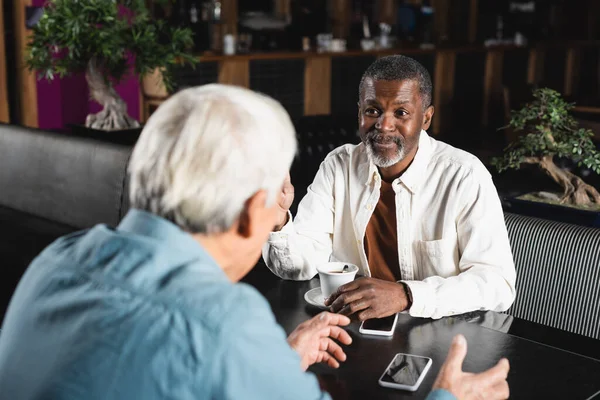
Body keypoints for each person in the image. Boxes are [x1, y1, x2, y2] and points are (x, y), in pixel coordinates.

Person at [0, 85, 509, 400]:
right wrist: (446, 398)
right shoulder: (224, 325)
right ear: (252, 213)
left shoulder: (56, 261)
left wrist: (274, 363)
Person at [264, 55, 516, 320]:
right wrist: (278, 220)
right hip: (353, 328)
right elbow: (300, 266)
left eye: (401, 113)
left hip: (440, 332)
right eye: (372, 111)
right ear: (359, 111)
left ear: (426, 118)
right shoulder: (339, 166)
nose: (383, 125)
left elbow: (497, 284)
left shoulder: (464, 175)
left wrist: (406, 295)